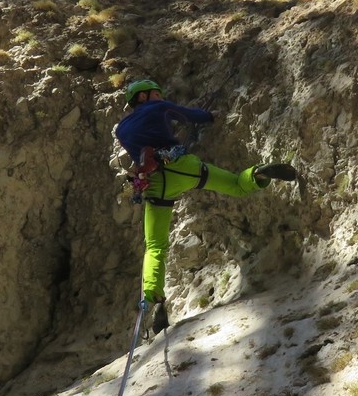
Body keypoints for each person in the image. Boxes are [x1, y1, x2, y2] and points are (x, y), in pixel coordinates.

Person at [114, 79, 296, 336]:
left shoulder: (121, 129)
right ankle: (258, 174)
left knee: (155, 245)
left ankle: (154, 301)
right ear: (142, 97)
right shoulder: (159, 107)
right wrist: (210, 116)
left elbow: (142, 142)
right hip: (183, 167)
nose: (159, 96)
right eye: (155, 93)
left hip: (155, 183)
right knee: (236, 185)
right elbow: (190, 115)